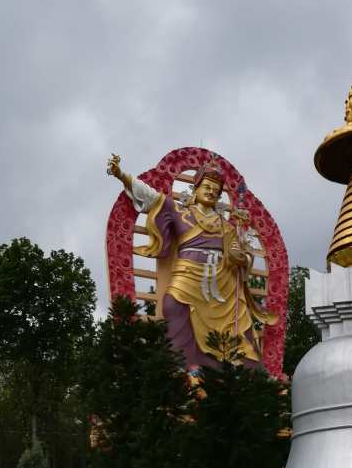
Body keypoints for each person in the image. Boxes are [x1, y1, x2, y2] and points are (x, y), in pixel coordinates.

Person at [107, 154, 276, 369]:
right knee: (172, 304)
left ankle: (246, 374)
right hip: (188, 273)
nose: (211, 191)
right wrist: (122, 176)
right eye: (207, 186)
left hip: (222, 279)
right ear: (196, 188)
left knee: (240, 319)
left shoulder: (227, 227)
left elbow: (239, 256)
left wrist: (240, 258)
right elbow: (151, 197)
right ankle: (186, 368)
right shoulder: (180, 212)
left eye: (216, 190)